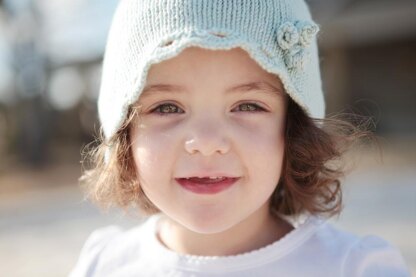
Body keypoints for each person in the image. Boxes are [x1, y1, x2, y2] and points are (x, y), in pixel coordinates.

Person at [70, 0, 411, 276]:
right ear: (124, 132)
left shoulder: (351, 269)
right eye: (167, 107)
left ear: (293, 128)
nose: (206, 141)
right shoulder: (104, 265)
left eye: (247, 105)